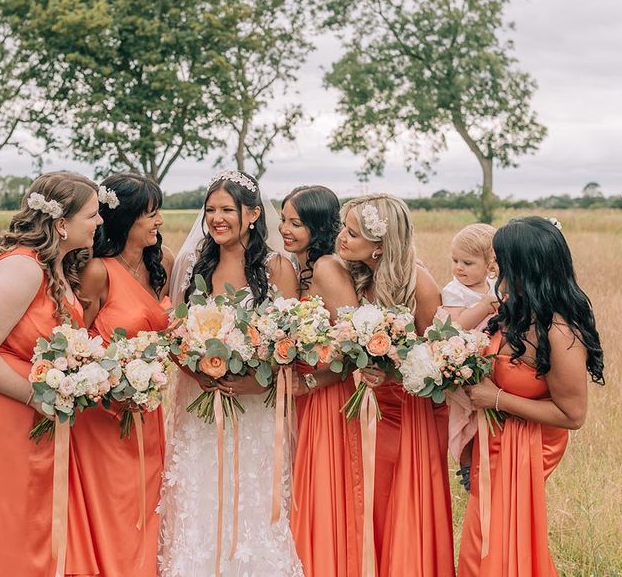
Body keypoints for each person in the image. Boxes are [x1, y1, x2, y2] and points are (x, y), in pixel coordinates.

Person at [0, 171, 102, 576]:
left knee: (31, 513)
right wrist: (41, 395)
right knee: (2, 514)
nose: (99, 223)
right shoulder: (24, 269)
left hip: (29, 408)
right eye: (92, 215)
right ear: (62, 224)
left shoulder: (58, 265)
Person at [158, 170, 303, 576]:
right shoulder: (191, 265)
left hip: (255, 408)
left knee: (253, 500)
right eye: (210, 210)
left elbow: (290, 342)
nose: (216, 218)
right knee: (200, 496)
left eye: (226, 209)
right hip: (200, 406)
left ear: (254, 214)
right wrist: (196, 367)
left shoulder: (277, 269)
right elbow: (174, 333)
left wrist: (257, 378)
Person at [458, 216, 604, 576]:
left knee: (498, 542)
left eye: (501, 259)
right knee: (482, 536)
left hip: (526, 445)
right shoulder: (514, 310)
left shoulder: (559, 331)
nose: (494, 267)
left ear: (525, 265)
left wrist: (497, 400)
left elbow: (573, 415)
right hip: (494, 439)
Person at [338, 195, 455, 577]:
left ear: (380, 246)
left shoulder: (419, 284)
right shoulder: (358, 277)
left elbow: (441, 361)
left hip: (416, 413)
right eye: (344, 227)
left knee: (405, 505)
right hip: (377, 410)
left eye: (352, 233)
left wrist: (392, 373)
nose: (342, 237)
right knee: (372, 501)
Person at [69, 173, 173, 576]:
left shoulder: (160, 263)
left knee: (149, 506)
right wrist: (115, 383)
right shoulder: (98, 271)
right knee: (114, 507)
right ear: (126, 218)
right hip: (104, 415)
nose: (159, 221)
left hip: (149, 411)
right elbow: (78, 343)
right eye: (151, 213)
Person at [279, 185, 363, 577]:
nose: (285, 229)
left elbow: (354, 348)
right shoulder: (299, 268)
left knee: (321, 494)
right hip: (301, 393)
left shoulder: (328, 268)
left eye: (295, 223)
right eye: (282, 220)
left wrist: (311, 384)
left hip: (327, 396)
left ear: (317, 225)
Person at [441, 223, 498, 331]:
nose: (458, 267)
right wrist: (484, 307)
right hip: (468, 345)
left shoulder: (494, 284)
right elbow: (455, 327)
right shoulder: (454, 291)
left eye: (467, 263)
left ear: (489, 265)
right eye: (455, 260)